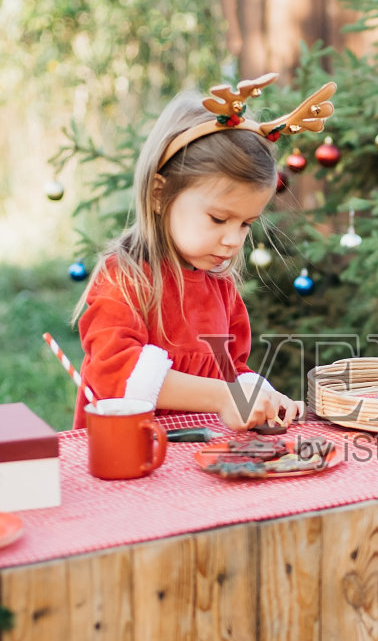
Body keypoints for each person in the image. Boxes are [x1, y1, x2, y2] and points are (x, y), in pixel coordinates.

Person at [73, 74, 335, 431]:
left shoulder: (220, 288)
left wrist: (261, 396)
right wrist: (223, 396)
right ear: (159, 194)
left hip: (200, 458)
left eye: (245, 224)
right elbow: (117, 374)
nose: (233, 240)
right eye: (218, 219)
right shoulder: (125, 279)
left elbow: (232, 373)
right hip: (128, 454)